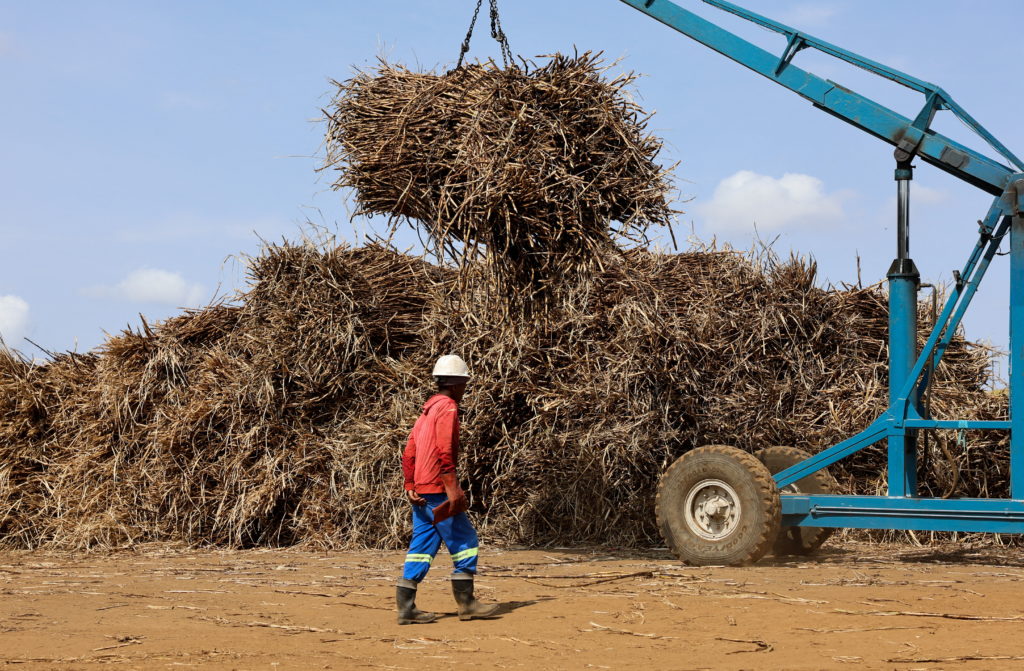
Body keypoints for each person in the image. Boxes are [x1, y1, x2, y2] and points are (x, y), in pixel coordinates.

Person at [395, 354, 500, 625]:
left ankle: (406, 608)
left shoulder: (427, 410)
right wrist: (453, 489)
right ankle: (467, 605)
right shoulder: (448, 407)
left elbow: (410, 451)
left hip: (421, 489)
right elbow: (445, 449)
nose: (465, 389)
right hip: (438, 487)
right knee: (465, 542)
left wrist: (409, 483)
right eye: (464, 384)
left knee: (422, 546)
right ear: (456, 384)